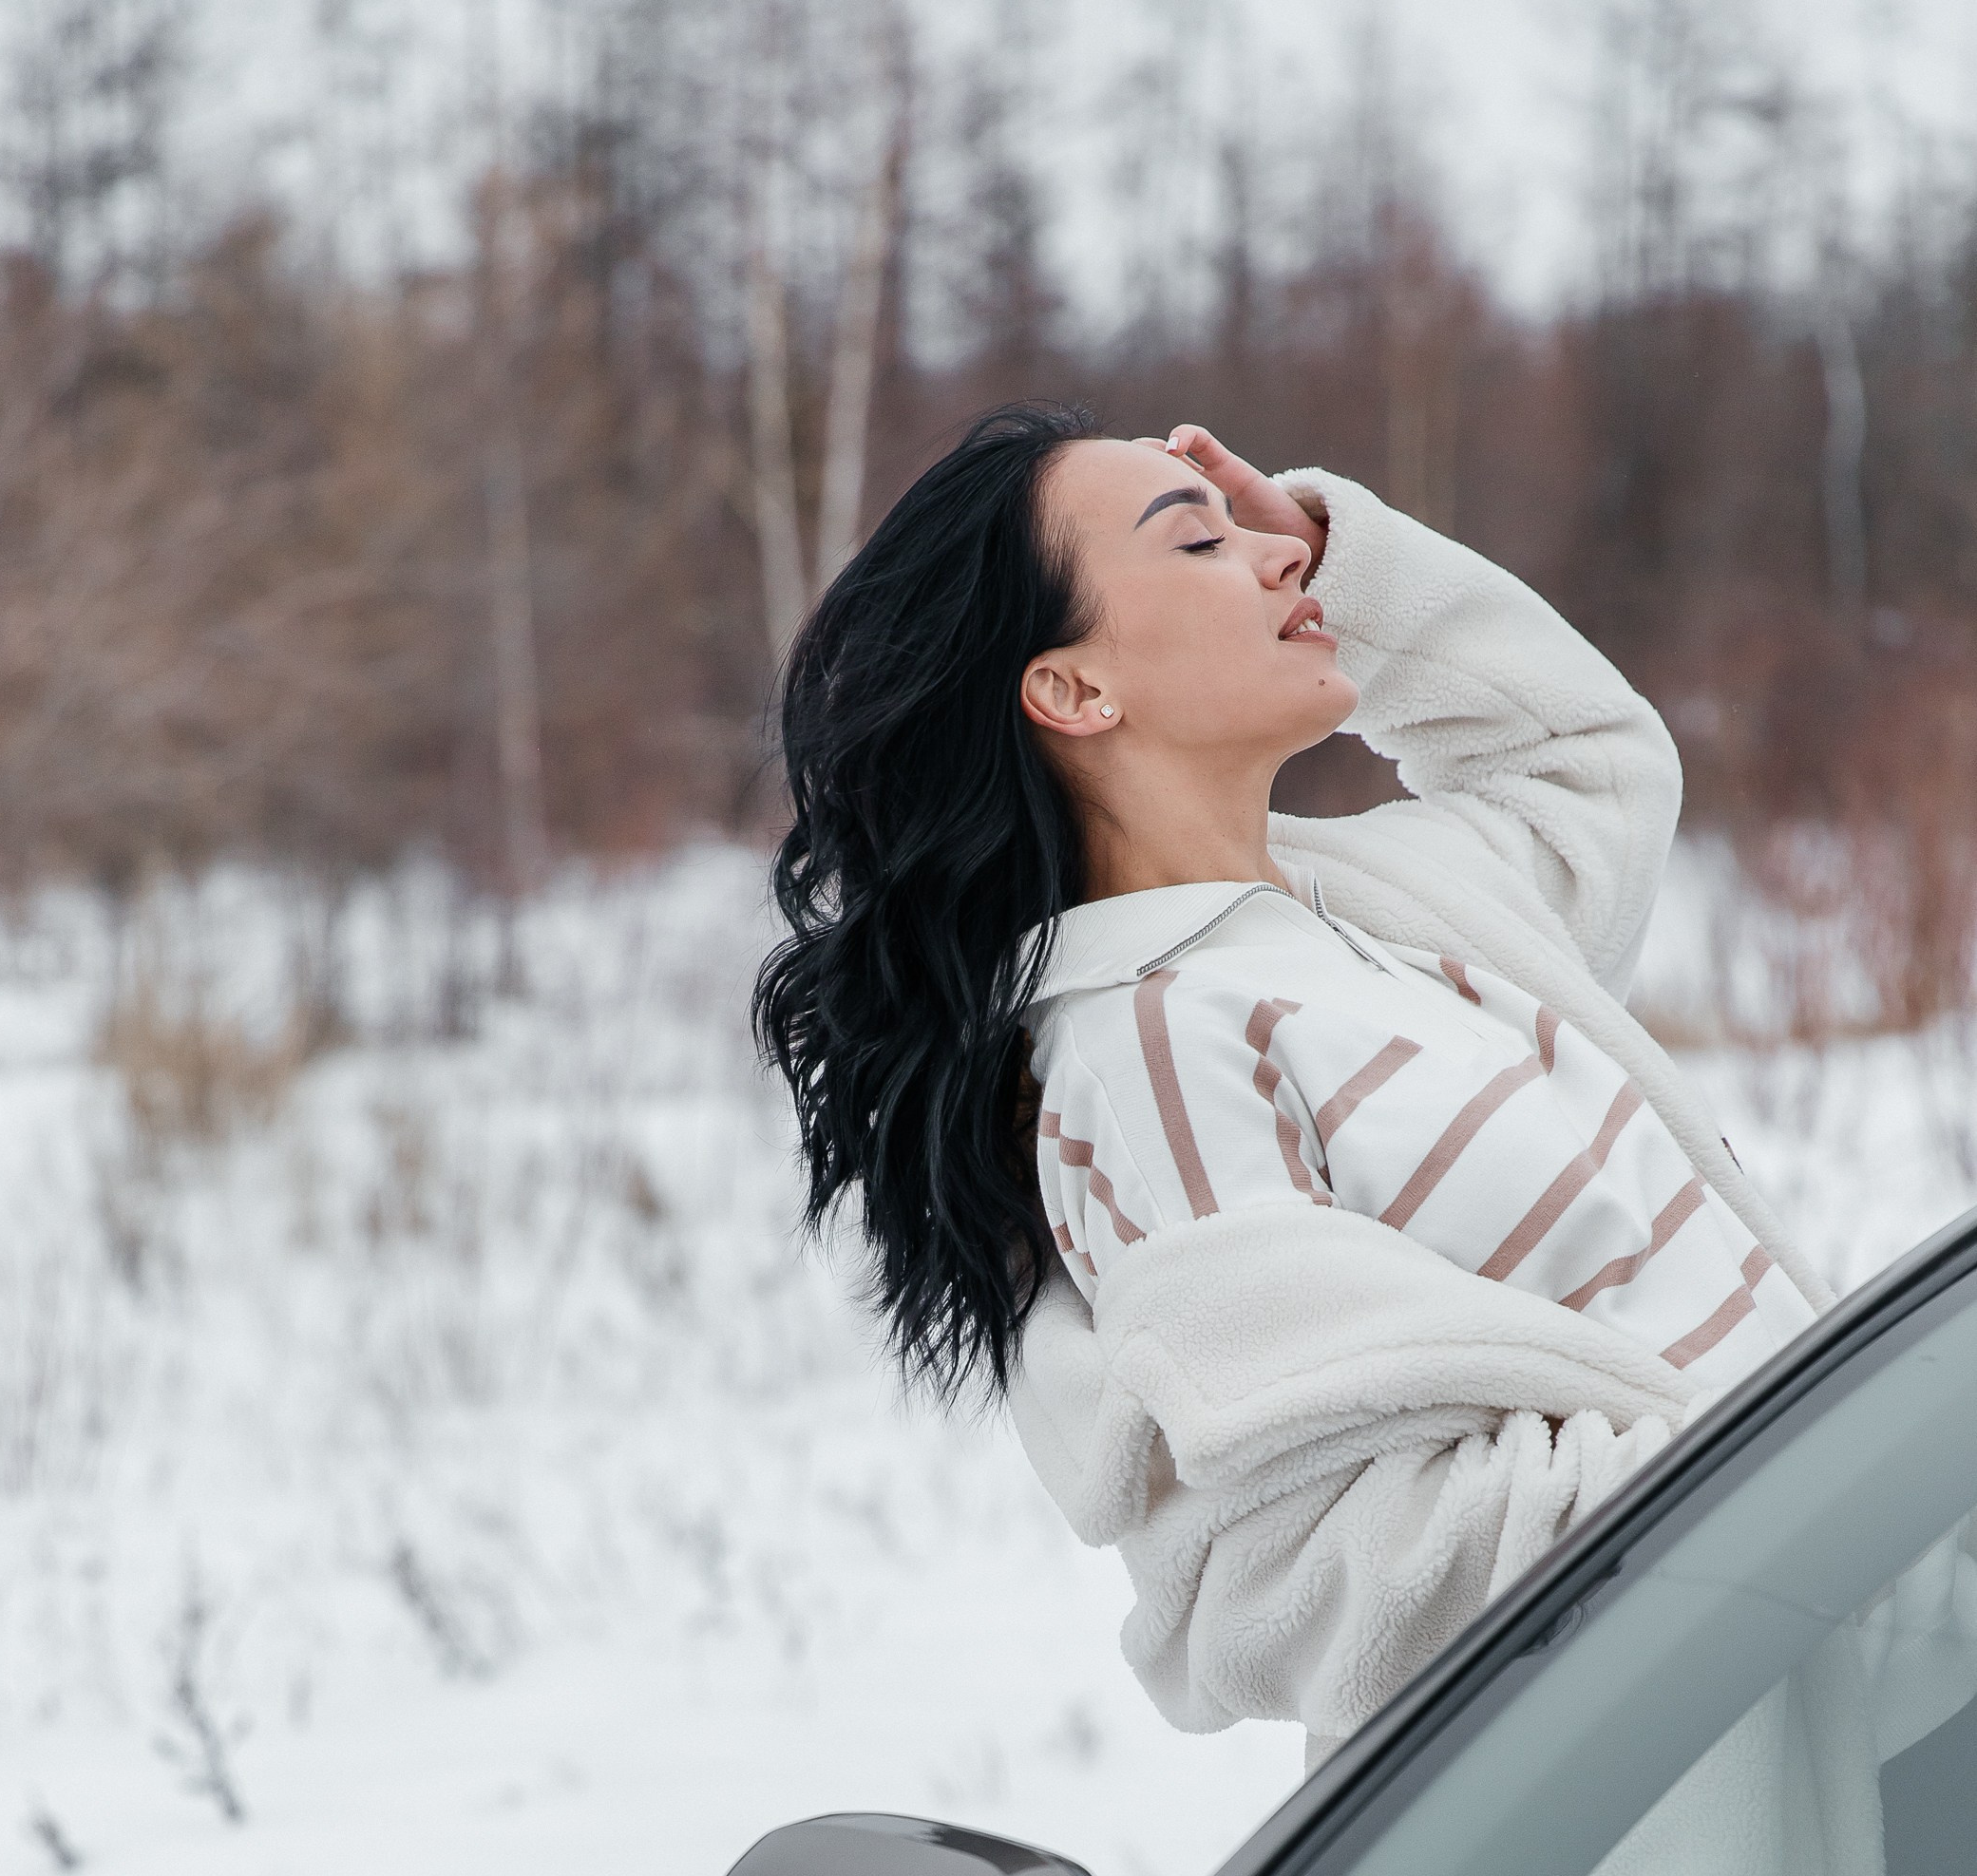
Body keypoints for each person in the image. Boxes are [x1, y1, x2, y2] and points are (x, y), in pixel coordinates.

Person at [752, 402, 1832, 1770]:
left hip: (1843, 1670)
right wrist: (1814, 1494)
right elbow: (1311, 1572)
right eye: (1196, 543)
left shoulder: (1378, 905)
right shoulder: (1150, 1051)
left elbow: (1582, 760)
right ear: (1072, 690)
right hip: (1688, 1788)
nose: (1274, 562)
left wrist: (1335, 557)